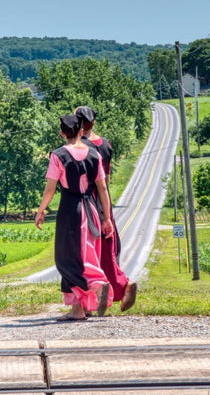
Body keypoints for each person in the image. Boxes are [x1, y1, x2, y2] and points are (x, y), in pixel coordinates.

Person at [35, 114, 114, 321]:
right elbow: (103, 188)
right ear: (81, 131)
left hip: (71, 211)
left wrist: (41, 210)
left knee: (67, 260)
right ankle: (80, 308)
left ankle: (97, 284)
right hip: (92, 209)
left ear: (62, 133)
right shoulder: (94, 154)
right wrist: (107, 218)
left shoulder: (58, 155)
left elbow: (50, 189)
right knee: (87, 254)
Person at [75, 106, 137, 312]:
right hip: (104, 201)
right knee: (106, 251)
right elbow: (106, 179)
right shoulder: (105, 144)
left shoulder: (79, 146)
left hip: (88, 200)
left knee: (87, 252)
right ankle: (112, 290)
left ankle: (95, 298)